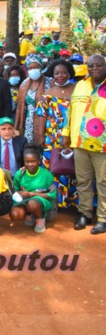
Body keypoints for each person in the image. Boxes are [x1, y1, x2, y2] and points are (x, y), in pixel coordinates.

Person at [62, 54, 106, 234]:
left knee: (103, 182)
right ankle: (85, 213)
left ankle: (103, 218)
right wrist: (66, 133)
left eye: (99, 65)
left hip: (102, 145)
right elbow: (70, 112)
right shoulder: (81, 85)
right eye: (91, 66)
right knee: (83, 181)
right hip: (79, 142)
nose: (94, 68)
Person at [35, 59, 77, 208]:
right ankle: (55, 203)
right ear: (52, 75)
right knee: (54, 169)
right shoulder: (48, 93)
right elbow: (41, 116)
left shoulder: (76, 90)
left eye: (64, 72)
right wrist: (40, 137)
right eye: (57, 73)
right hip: (52, 139)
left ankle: (72, 202)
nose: (61, 75)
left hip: (74, 137)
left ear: (69, 73)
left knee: (73, 169)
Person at [9, 144, 56, 234]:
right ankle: (30, 214)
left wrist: (32, 194)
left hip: (42, 199)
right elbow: (15, 190)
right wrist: (21, 192)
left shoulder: (46, 175)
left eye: (33, 161)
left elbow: (51, 194)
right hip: (25, 199)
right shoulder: (20, 173)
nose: (30, 164)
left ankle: (40, 218)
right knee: (15, 214)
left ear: (38, 161)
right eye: (27, 162)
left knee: (32, 204)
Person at [15, 54, 52, 142]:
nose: (33, 70)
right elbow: (19, 107)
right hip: (28, 122)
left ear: (41, 68)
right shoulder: (24, 84)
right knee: (29, 148)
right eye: (30, 68)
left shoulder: (50, 82)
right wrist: (15, 127)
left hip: (45, 122)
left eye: (36, 67)